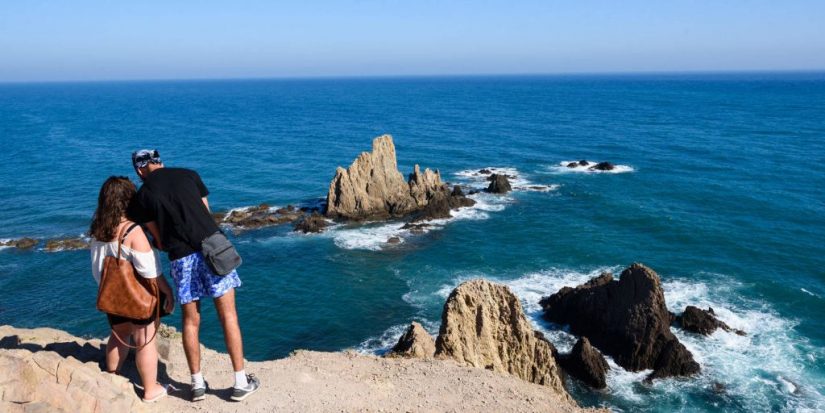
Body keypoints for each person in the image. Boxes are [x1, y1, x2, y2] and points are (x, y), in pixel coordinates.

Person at [128, 149, 259, 402]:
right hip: (212, 248)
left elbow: (159, 240)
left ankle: (197, 385)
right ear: (160, 162)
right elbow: (206, 213)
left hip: (181, 257)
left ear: (138, 170)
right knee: (228, 315)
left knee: (191, 320)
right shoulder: (189, 175)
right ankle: (240, 383)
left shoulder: (142, 196)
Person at [89, 176, 175, 403]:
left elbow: (98, 270)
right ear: (129, 200)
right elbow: (150, 272)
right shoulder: (132, 231)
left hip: (112, 296)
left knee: (118, 336)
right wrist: (168, 291)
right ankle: (150, 390)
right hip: (138, 298)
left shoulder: (99, 230)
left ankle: (112, 378)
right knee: (145, 342)